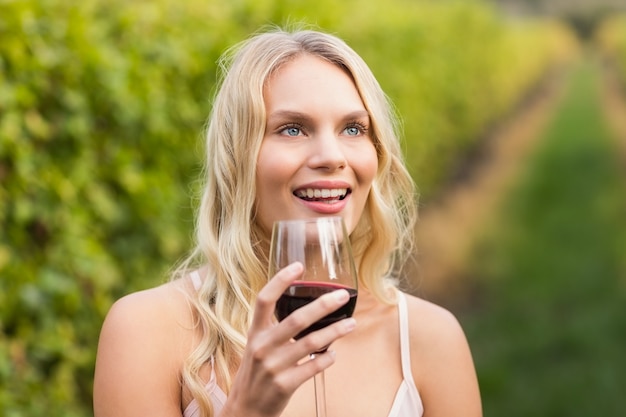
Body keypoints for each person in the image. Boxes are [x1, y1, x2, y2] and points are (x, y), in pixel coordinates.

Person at [93, 25, 482, 417]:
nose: (331, 156)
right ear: (237, 158)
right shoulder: (146, 332)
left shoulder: (431, 338)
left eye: (353, 128)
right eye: (292, 129)